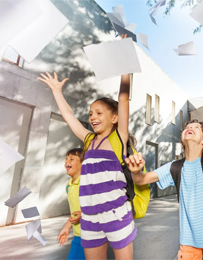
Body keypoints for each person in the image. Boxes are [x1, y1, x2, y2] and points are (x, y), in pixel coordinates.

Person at [37, 36, 135, 259]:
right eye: (91, 113)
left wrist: (123, 60)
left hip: (116, 214)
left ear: (114, 117)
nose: (93, 117)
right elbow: (70, 116)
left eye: (99, 113)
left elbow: (124, 98)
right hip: (90, 217)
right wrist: (56, 92)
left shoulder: (118, 137)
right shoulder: (89, 140)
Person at [125, 120, 203, 260]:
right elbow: (142, 180)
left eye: (197, 127)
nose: (190, 127)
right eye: (187, 127)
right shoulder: (175, 167)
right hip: (188, 241)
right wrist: (136, 172)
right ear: (182, 143)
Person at [58, 148, 85, 260]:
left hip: (92, 234)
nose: (66, 161)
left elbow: (100, 205)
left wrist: (83, 214)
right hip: (78, 235)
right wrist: (67, 227)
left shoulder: (87, 183)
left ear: (83, 163)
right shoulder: (69, 186)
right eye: (66, 159)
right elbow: (75, 212)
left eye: (72, 159)